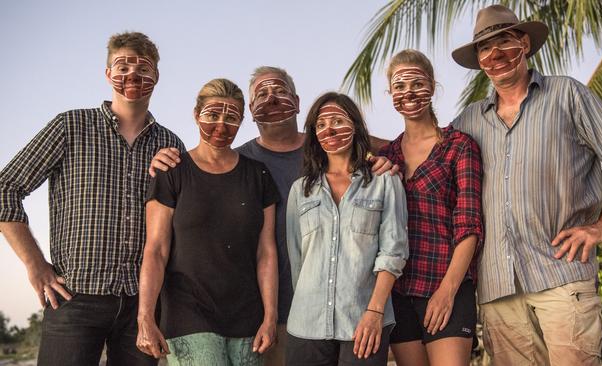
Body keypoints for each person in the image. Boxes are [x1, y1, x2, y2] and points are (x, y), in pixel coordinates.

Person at [148, 66, 397, 365]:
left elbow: (361, 139)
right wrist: (168, 158)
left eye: (280, 91)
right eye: (261, 95)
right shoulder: (240, 160)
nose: (272, 99)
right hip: (269, 312)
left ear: (297, 99)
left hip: (340, 307)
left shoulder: (325, 148)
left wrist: (393, 157)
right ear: (251, 112)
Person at [450, 5, 602, 365]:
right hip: (498, 288)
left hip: (562, 276)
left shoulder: (567, 95)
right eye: (484, 49)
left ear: (524, 44)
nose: (495, 56)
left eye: (504, 43)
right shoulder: (467, 121)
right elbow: (430, 165)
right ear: (479, 60)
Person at [0, 32, 183, 365]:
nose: (132, 75)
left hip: (142, 305)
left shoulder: (170, 143)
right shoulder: (70, 126)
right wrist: (35, 264)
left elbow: (182, 221)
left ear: (156, 77)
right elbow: (6, 188)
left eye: (143, 68)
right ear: (107, 73)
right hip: (74, 299)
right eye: (122, 65)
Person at [136, 78, 279, 365]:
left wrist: (270, 316)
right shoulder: (172, 171)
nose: (221, 126)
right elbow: (155, 250)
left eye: (232, 117)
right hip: (188, 313)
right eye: (212, 115)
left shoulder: (258, 175)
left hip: (247, 316)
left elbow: (266, 251)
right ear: (196, 114)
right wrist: (146, 316)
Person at [285, 92, 408, 365]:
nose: (329, 129)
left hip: (364, 321)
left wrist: (375, 312)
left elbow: (394, 251)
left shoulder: (384, 182)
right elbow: (296, 258)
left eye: (338, 120)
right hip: (306, 324)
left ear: (355, 126)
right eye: (320, 124)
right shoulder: (301, 190)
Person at [379, 49, 484, 366]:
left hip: (446, 284)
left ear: (433, 86)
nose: (408, 92)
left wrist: (447, 291)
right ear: (390, 93)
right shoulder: (388, 156)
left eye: (416, 83)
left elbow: (469, 226)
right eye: (399, 86)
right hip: (399, 293)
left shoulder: (459, 146)